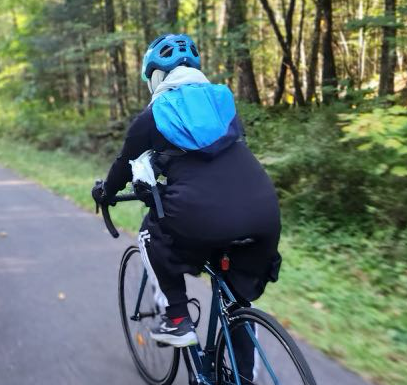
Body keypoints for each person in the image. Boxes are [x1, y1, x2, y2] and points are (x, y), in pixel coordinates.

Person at [92, 33, 281, 352]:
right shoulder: (224, 101)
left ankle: (178, 318)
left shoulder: (153, 116)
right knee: (238, 304)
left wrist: (106, 192)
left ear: (155, 75)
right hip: (264, 211)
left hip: (202, 217)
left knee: (149, 235)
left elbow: (124, 165)